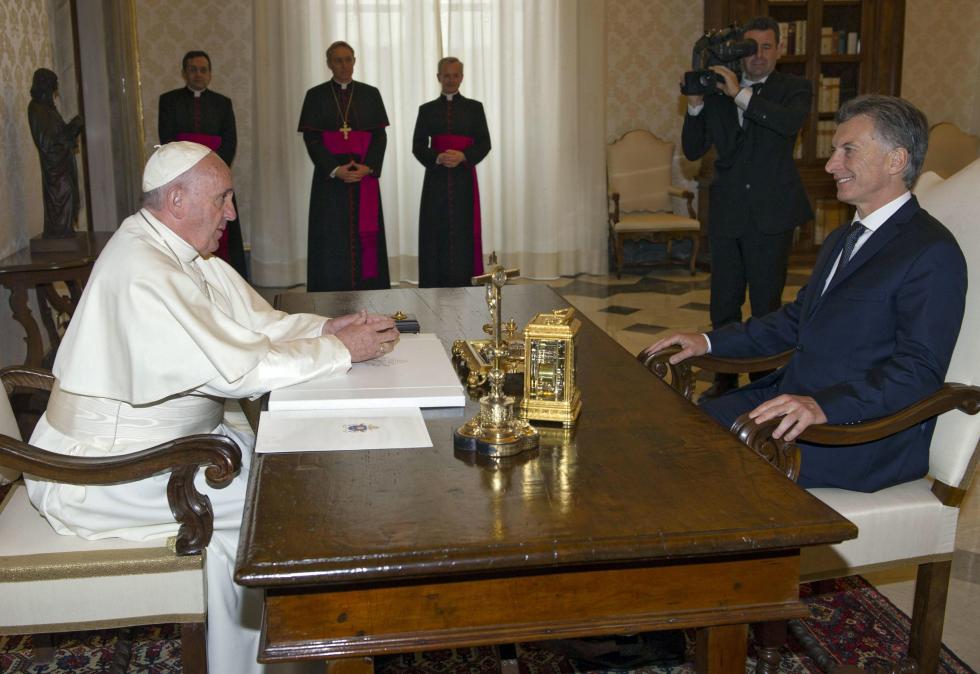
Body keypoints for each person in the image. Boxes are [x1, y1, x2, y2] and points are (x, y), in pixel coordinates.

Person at [24, 142, 400, 674]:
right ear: (177, 199)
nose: (232, 213)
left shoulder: (177, 252)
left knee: (292, 472)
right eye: (223, 198)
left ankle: (278, 654)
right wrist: (342, 351)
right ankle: (286, 652)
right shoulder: (144, 269)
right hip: (101, 471)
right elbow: (240, 371)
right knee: (279, 509)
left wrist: (324, 329)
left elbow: (255, 326)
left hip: (169, 447)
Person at [642, 95, 967, 493]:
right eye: (834, 152)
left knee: (702, 471)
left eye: (848, 151)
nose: (832, 165)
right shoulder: (842, 238)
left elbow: (917, 373)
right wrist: (706, 341)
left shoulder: (931, 252)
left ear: (896, 160)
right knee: (672, 434)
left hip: (856, 435)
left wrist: (824, 407)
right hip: (794, 403)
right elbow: (795, 323)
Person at [682, 16, 813, 399]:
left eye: (767, 46)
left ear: (780, 50)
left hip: (771, 214)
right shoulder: (718, 91)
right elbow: (693, 149)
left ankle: (763, 380)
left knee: (766, 304)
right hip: (727, 211)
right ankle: (725, 378)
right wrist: (695, 106)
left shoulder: (794, 89)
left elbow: (787, 125)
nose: (758, 55)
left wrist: (740, 93)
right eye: (750, 47)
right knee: (723, 302)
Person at [298, 41, 390, 291]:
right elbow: (312, 139)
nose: (344, 65)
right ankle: (330, 291)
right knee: (330, 238)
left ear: (355, 61)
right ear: (329, 63)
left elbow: (379, 136)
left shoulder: (370, 94)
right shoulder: (315, 96)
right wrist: (334, 169)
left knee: (366, 239)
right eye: (338, 60)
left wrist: (369, 167)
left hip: (364, 180)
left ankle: (369, 289)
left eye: (348, 59)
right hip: (330, 181)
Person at [159, 50, 248, 278]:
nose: (198, 74)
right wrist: (190, 172)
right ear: (184, 73)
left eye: (203, 70)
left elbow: (230, 142)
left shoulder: (222, 103)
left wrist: (210, 174)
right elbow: (167, 140)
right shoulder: (169, 101)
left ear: (210, 74)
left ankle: (227, 279)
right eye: (193, 70)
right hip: (183, 180)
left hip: (216, 180)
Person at [412, 57, 491, 287]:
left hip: (463, 179)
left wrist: (464, 156)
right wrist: (436, 156)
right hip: (435, 179)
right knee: (434, 230)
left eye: (455, 75)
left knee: (463, 230)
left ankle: (463, 282)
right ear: (438, 77)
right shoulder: (426, 110)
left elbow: (485, 143)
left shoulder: (475, 108)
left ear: (462, 77)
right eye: (446, 75)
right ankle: (433, 283)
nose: (451, 80)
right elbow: (417, 146)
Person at [28, 67, 83, 239]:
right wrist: (70, 131)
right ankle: (59, 233)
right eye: (52, 86)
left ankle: (64, 232)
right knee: (60, 200)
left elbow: (59, 134)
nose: (55, 91)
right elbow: (47, 144)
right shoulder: (36, 109)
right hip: (55, 170)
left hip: (63, 165)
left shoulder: (49, 109)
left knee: (68, 198)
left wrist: (74, 126)